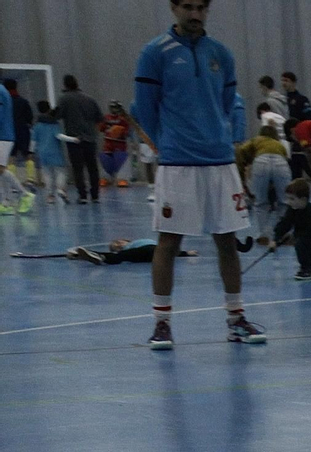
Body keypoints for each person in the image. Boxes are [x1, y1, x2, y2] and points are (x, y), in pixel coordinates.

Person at [134, 0, 267, 349]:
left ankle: (236, 319)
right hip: (177, 164)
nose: (195, 14)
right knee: (168, 242)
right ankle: (161, 324)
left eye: (201, 8)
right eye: (188, 7)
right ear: (174, 8)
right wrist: (169, 144)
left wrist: (217, 137)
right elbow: (144, 109)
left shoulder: (221, 54)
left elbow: (225, 105)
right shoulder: (154, 53)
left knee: (228, 241)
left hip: (220, 163)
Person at [238, 124, 290, 237]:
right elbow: (286, 159)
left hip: (261, 161)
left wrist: (243, 164)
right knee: (284, 201)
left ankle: (263, 235)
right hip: (281, 162)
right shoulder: (279, 144)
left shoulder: (257, 139)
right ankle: (283, 234)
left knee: (260, 202)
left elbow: (241, 149)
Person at [58, 74, 103, 204]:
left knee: (78, 169)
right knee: (92, 168)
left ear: (65, 85)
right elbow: (99, 119)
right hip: (90, 139)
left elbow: (56, 115)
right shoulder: (90, 99)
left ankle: (82, 195)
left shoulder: (64, 99)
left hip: (74, 140)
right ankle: (95, 195)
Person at [0, 78, 30, 215]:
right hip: (4, 135)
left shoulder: (0, 91)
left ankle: (25, 195)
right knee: (1, 171)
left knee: (1, 169)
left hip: (3, 136)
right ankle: (5, 202)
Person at [32, 103, 68, 205]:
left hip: (42, 153)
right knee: (60, 172)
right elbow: (59, 136)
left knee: (47, 175)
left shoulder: (37, 125)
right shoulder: (54, 124)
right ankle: (61, 189)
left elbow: (33, 141)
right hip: (55, 151)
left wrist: (31, 152)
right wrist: (73, 139)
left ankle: (50, 196)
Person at [65, 238, 199, 264]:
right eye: (115, 245)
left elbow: (168, 250)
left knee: (120, 255)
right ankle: (87, 255)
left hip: (152, 251)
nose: (117, 244)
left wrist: (185, 253)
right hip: (142, 255)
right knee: (121, 256)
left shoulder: (136, 243)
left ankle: (93, 256)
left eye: (118, 242)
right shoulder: (128, 250)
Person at [3, 80, 33, 193]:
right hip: (23, 131)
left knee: (11, 158)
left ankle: (13, 184)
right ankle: (30, 179)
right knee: (28, 155)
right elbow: (29, 117)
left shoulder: (5, 101)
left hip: (9, 131)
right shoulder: (23, 101)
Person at [99, 102, 133, 187]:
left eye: (116, 107)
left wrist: (120, 131)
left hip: (120, 143)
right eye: (112, 107)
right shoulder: (106, 118)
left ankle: (122, 178)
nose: (114, 109)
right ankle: (105, 178)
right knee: (106, 160)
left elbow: (128, 132)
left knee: (121, 161)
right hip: (108, 142)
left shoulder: (124, 118)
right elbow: (101, 128)